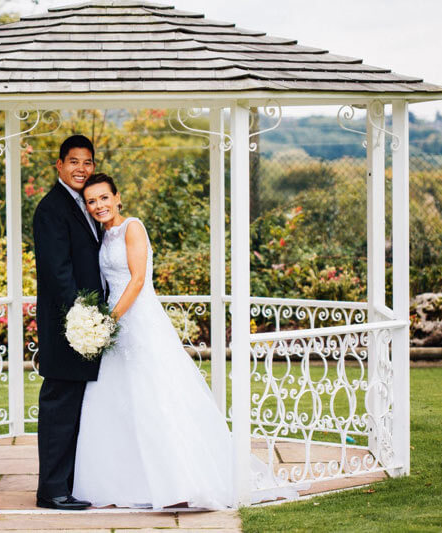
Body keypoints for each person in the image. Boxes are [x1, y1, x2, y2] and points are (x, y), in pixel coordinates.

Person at [72, 173, 303, 509]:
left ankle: (180, 481)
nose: (98, 206)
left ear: (117, 197)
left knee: (158, 399)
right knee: (116, 399)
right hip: (117, 326)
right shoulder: (103, 234)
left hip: (137, 319)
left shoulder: (131, 227)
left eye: (104, 198)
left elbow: (136, 282)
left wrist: (108, 322)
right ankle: (126, 483)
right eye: (91, 201)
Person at [32, 135, 105, 510]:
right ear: (58, 165)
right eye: (73, 161)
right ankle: (52, 491)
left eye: (88, 162)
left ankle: (72, 483)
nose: (81, 168)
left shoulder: (88, 204)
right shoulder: (51, 208)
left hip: (89, 326)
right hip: (69, 328)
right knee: (60, 409)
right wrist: (84, 319)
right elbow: (57, 273)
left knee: (79, 410)